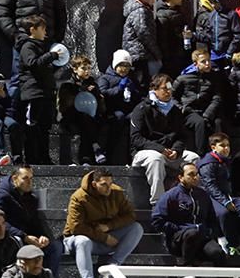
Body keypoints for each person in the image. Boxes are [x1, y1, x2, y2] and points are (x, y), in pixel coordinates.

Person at [62, 169, 144, 278]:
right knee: (83, 241)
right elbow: (76, 227)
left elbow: (130, 216)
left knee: (136, 228)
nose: (109, 188)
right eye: (104, 184)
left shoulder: (116, 192)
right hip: (77, 240)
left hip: (106, 235)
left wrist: (109, 227)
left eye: (110, 183)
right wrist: (103, 237)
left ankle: (112, 265)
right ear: (94, 184)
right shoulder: (79, 197)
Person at [130, 74, 199, 204]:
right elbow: (136, 138)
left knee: (193, 158)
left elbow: (182, 136)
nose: (168, 92)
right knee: (156, 159)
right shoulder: (141, 109)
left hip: (169, 152)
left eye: (170, 89)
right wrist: (160, 149)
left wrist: (176, 150)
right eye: (164, 89)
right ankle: (158, 201)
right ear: (154, 89)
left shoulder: (175, 111)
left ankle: (191, 196)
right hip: (145, 152)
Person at [0, 166, 62, 276]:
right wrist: (24, 236)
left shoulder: (31, 197)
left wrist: (43, 236)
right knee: (17, 242)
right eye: (25, 178)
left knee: (55, 246)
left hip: (27, 237)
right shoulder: (0, 195)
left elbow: (35, 221)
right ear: (14, 178)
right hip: (9, 237)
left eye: (31, 178)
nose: (29, 182)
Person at [152, 163, 227, 267]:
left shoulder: (203, 195)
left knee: (217, 253)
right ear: (181, 177)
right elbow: (157, 220)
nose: (195, 177)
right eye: (191, 174)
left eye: (196, 174)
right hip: (179, 239)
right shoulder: (170, 196)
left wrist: (211, 233)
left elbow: (212, 219)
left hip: (202, 237)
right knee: (192, 233)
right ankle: (186, 268)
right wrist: (178, 229)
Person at [16, 15, 64, 165]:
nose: (45, 32)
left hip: (45, 93)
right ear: (33, 29)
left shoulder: (42, 45)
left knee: (44, 128)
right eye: (42, 29)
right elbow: (33, 63)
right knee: (32, 126)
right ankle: (32, 158)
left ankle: (44, 158)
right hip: (33, 93)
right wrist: (51, 56)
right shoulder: (27, 46)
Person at [198, 133, 240, 254]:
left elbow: (229, 182)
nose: (226, 148)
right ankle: (231, 244)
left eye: (228, 145)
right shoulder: (208, 163)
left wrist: (238, 194)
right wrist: (225, 202)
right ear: (213, 147)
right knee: (224, 213)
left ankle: (233, 238)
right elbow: (210, 186)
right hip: (211, 197)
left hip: (228, 195)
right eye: (222, 145)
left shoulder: (226, 161)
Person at [172, 49, 230, 155]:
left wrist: (208, 114)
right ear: (196, 63)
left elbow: (217, 98)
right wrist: (182, 108)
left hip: (206, 110)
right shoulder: (183, 78)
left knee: (218, 123)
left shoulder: (214, 77)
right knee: (200, 122)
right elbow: (172, 96)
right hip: (189, 111)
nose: (208, 64)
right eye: (203, 61)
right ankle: (200, 153)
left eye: (209, 60)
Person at [56, 54, 107, 165]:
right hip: (70, 116)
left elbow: (98, 104)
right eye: (83, 68)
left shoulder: (93, 84)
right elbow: (65, 104)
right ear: (75, 69)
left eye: (89, 68)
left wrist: (97, 95)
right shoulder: (67, 85)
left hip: (88, 117)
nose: (87, 71)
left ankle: (87, 158)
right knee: (83, 125)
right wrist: (81, 91)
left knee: (89, 122)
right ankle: (94, 148)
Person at [97, 50, 144, 164]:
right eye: (121, 66)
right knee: (119, 117)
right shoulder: (105, 78)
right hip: (112, 110)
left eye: (127, 66)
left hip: (129, 110)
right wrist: (119, 88)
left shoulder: (132, 79)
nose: (124, 69)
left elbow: (140, 96)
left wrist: (134, 90)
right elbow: (103, 93)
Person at [192, 0, 240, 68]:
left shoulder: (232, 14)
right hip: (214, 54)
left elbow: (238, 35)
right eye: (210, 2)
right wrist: (193, 36)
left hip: (228, 54)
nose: (212, 5)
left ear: (221, 1)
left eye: (214, 2)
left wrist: (230, 52)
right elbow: (208, 35)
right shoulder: (212, 15)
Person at [122, 0, 162, 84]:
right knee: (144, 82)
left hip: (135, 52)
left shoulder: (136, 9)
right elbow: (144, 33)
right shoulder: (140, 11)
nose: (154, 1)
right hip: (141, 54)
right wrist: (156, 52)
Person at [155, 0, 191, 78]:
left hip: (182, 54)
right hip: (172, 59)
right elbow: (163, 41)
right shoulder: (162, 14)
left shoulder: (180, 9)